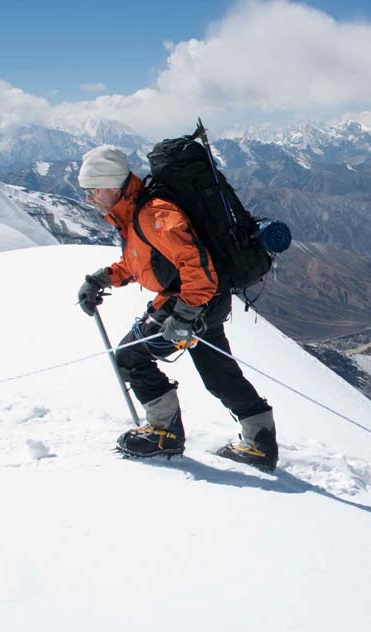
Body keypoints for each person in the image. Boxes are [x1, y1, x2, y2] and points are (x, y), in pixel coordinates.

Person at [75, 145, 278, 471]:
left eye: (92, 190)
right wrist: (104, 278)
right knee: (217, 373)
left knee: (130, 356)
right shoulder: (136, 213)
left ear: (112, 186)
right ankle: (260, 441)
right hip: (203, 303)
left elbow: (196, 268)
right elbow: (147, 262)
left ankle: (163, 433)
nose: (89, 198)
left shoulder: (154, 216)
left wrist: (184, 317)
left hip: (191, 302)